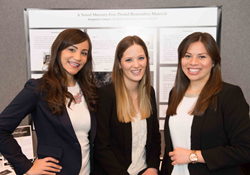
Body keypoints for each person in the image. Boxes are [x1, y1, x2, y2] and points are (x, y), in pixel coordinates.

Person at [0, 29, 98, 175]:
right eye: (72, 49)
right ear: (58, 51)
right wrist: (26, 167)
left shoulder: (89, 90)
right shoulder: (39, 88)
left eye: (84, 53)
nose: (78, 57)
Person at [160, 32, 250, 175]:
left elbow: (245, 149)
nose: (193, 62)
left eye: (202, 56)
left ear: (213, 61)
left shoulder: (229, 95)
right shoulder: (175, 94)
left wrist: (193, 156)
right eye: (187, 56)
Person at [93, 36, 161, 175]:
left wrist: (153, 168)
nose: (136, 65)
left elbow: (154, 137)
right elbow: (101, 148)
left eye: (141, 58)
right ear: (119, 63)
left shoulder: (149, 93)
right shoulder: (106, 95)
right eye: (129, 60)